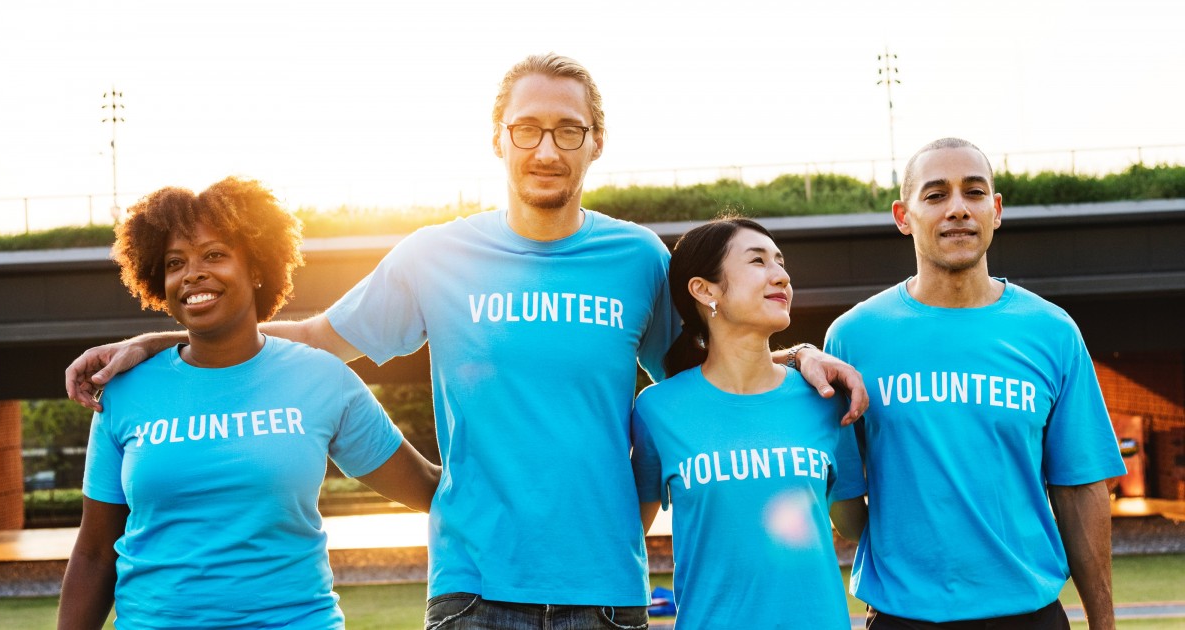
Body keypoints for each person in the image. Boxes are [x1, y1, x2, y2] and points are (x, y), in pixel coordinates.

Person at [65, 54, 867, 629]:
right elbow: (311, 339)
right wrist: (164, 339)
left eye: (567, 131)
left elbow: (715, 374)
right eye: (527, 130)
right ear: (497, 140)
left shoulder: (638, 260)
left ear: (595, 144)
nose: (546, 149)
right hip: (474, 588)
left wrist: (798, 356)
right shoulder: (432, 254)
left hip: (608, 588)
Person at [57, 178, 441, 629]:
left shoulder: (322, 379)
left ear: (256, 267)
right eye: (175, 262)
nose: (193, 273)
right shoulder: (126, 391)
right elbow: (95, 552)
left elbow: (429, 489)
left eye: (215, 255)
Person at [824, 138, 1126, 630]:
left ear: (996, 209)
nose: (958, 209)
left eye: (974, 192)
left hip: (1029, 617)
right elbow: (845, 501)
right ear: (904, 215)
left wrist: (1104, 624)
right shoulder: (853, 337)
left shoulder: (1052, 331)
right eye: (936, 195)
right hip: (905, 619)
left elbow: (1080, 490)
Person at [631, 217, 867, 629]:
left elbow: (856, 525)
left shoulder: (826, 400)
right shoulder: (657, 410)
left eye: (780, 261)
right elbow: (627, 538)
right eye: (758, 261)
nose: (781, 275)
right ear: (705, 290)